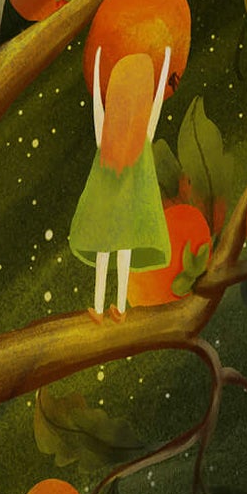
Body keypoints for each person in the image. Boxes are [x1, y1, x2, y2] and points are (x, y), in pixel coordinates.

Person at [68, 46, 173, 318]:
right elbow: (98, 107)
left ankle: (118, 308)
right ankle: (101, 307)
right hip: (110, 212)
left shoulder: (141, 138)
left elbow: (157, 102)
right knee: (109, 251)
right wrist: (98, 66)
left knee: (119, 250)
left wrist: (165, 67)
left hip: (123, 216)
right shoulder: (108, 140)